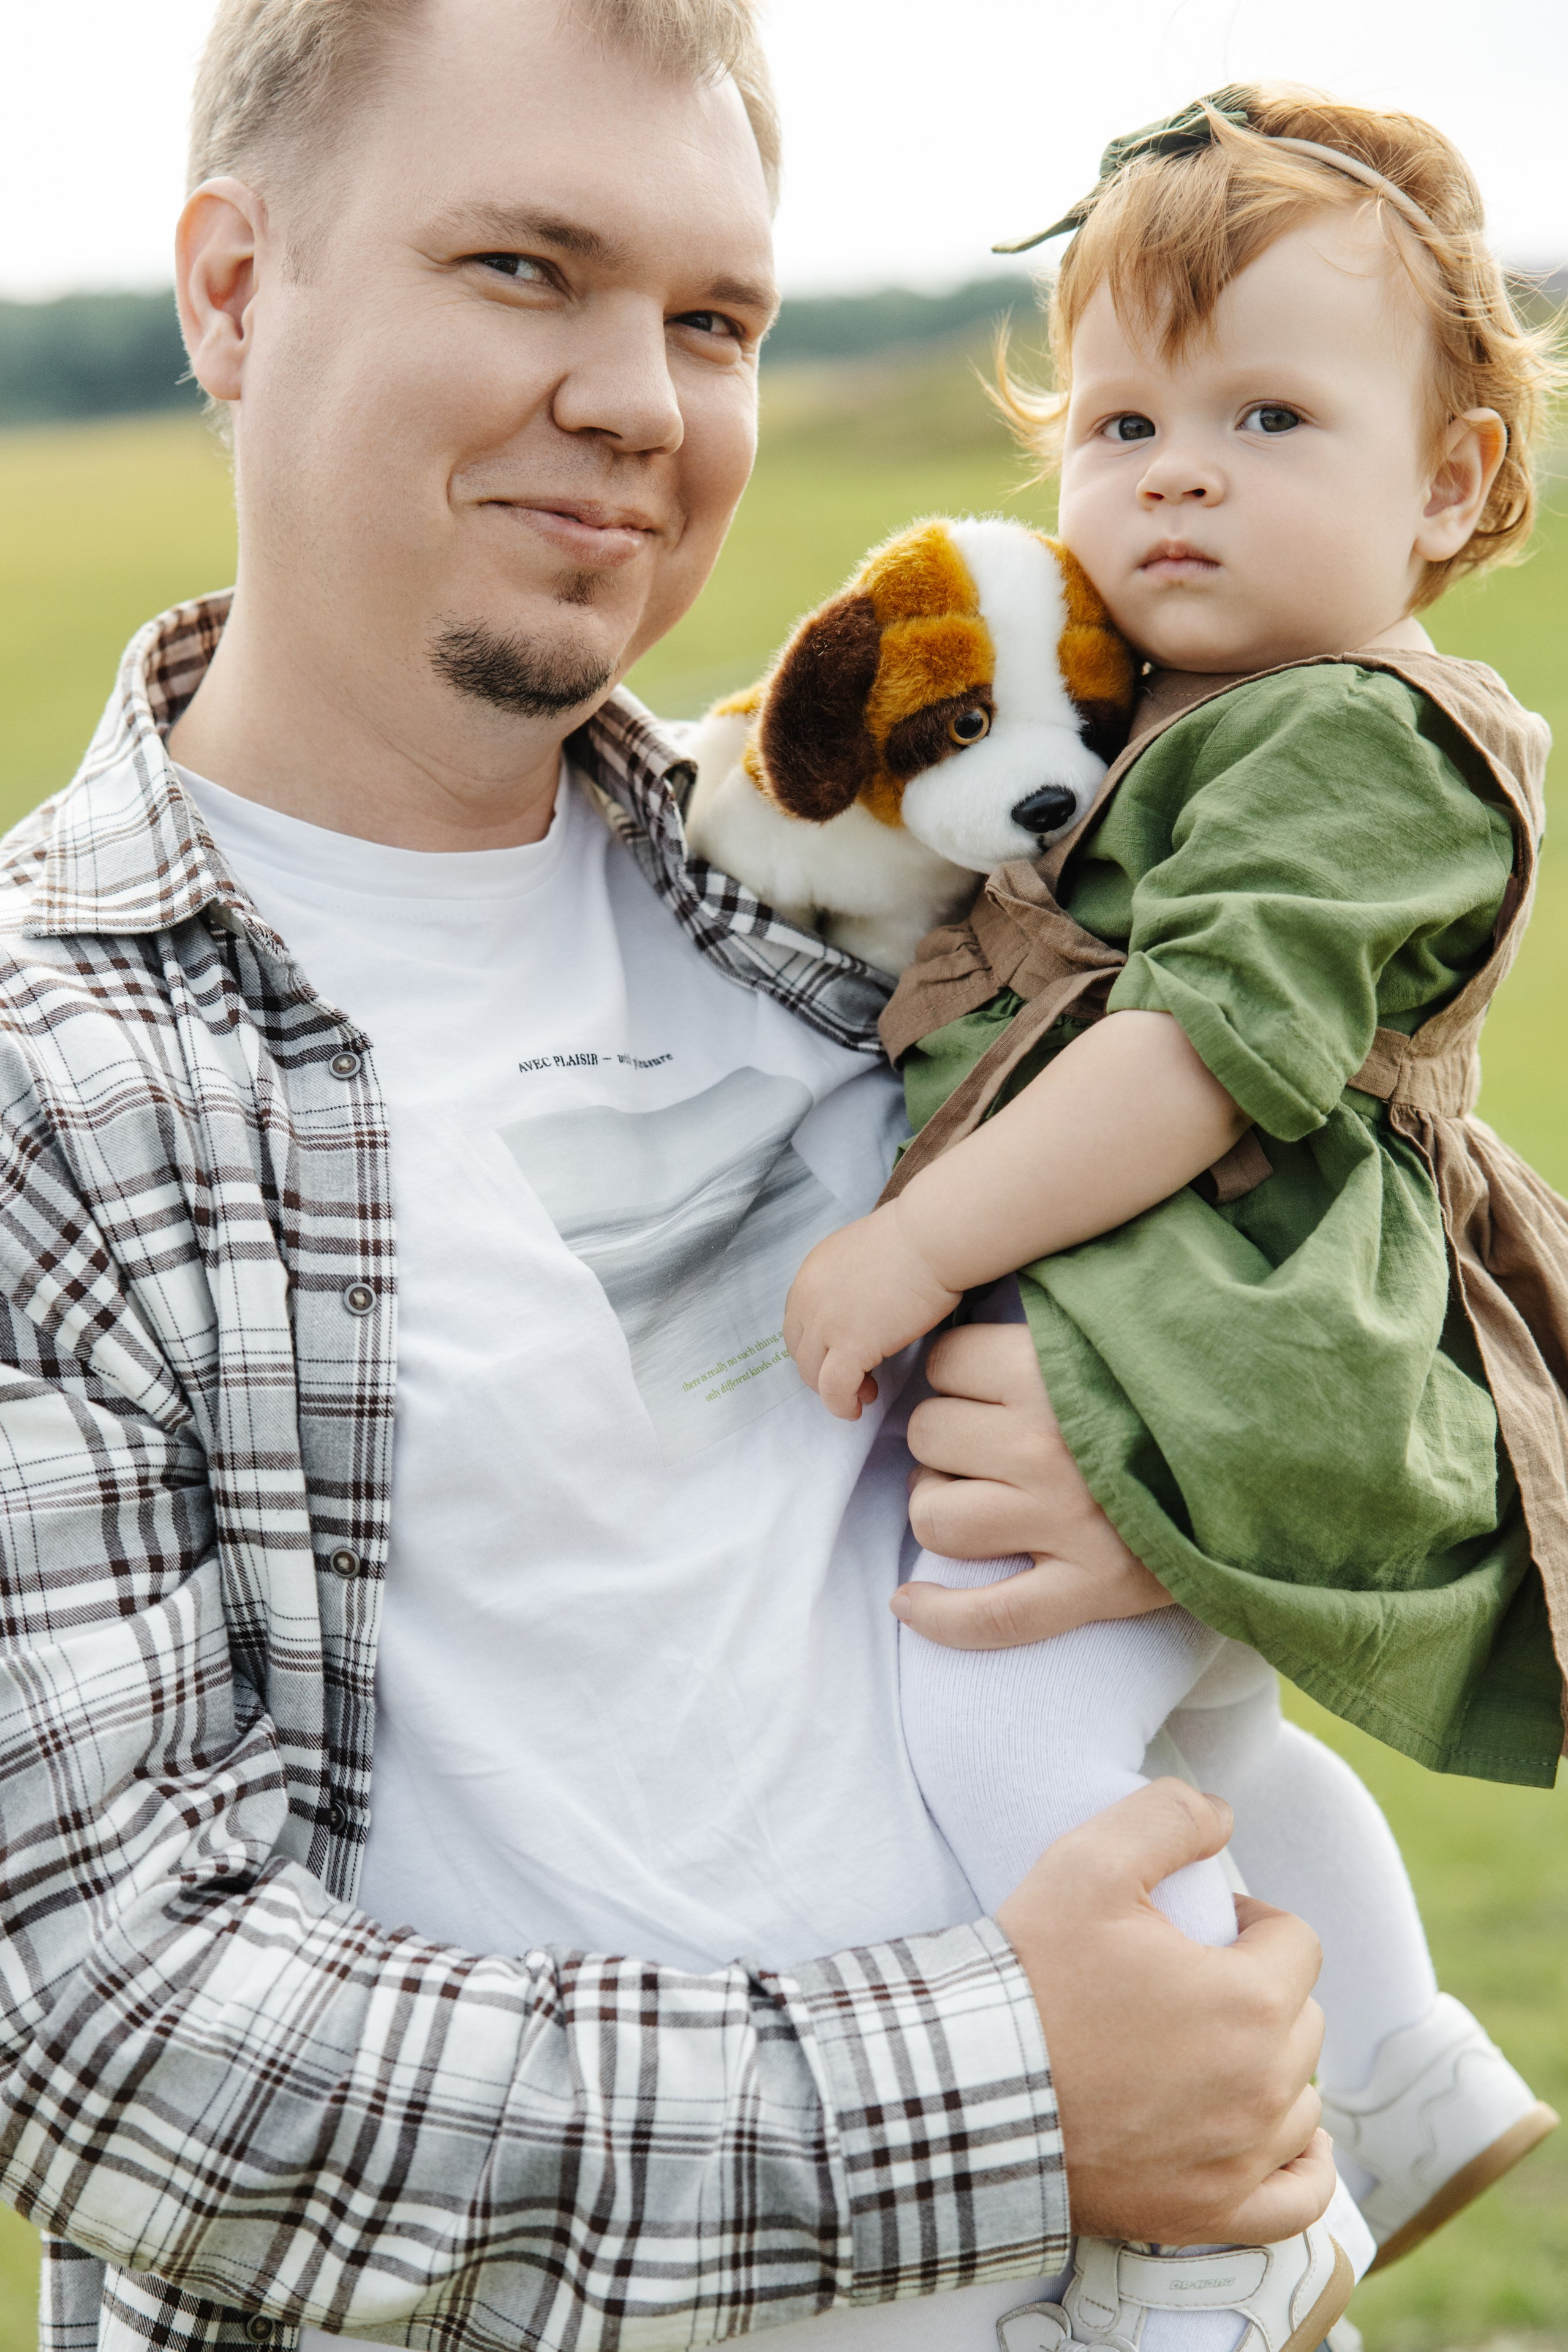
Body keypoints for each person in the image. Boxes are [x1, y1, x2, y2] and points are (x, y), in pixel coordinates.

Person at [0, 13, 1337, 2352]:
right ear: (231, 291)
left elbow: (1405, 1336)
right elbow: (122, 2040)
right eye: (526, 266)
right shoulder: (53, 1076)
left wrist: (1187, 1459)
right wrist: (1021, 2093)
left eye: (715, 321)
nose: (644, 400)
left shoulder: (873, 913)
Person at [783, 86, 1566, 2351]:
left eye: (1268, 414)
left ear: (1450, 486)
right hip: (1162, 1313)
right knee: (1212, 1755)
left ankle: (1208, 2229)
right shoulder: (1177, 712)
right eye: (1122, 420)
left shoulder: (1358, 736)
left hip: (1217, 1326)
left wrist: (918, 1249)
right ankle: (1403, 2084)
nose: (1179, 470)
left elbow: (1200, 1045)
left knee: (998, 1725)